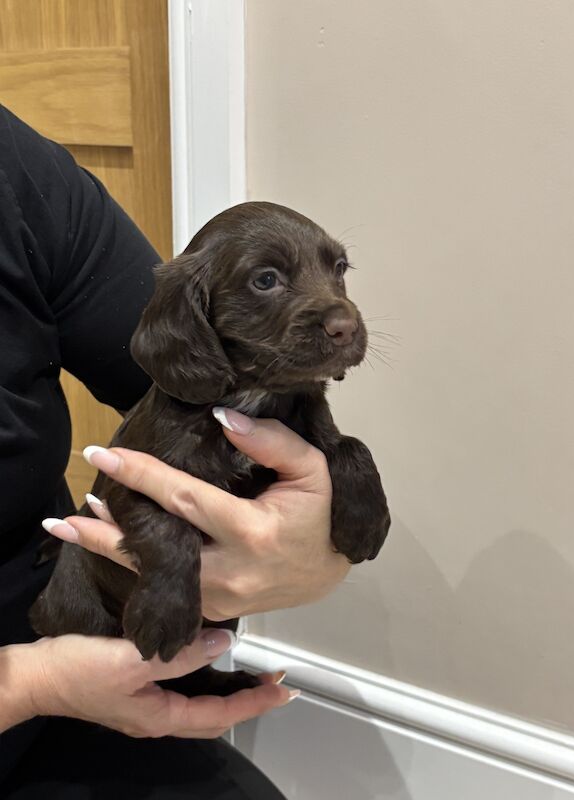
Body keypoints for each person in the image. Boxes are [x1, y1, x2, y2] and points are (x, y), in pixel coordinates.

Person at [0, 105, 349, 798]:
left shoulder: (18, 172)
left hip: (72, 646)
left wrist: (310, 531)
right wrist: (36, 685)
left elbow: (194, 369)